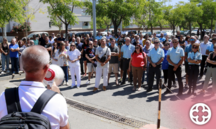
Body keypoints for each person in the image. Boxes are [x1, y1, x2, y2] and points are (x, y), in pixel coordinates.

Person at [0, 45, 70, 129]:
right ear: (46, 68)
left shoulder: (4, 96)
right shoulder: (57, 100)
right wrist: (58, 95)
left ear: (22, 66)